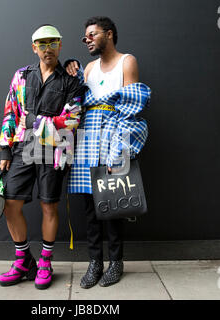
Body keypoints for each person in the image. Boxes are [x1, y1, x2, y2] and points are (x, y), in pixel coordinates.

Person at [0, 24, 86, 290]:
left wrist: (34, 120)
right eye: (42, 44)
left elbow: (72, 119)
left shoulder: (72, 79)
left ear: (60, 45)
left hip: (55, 151)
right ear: (34, 48)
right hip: (23, 148)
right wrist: (5, 149)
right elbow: (11, 111)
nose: (48, 49)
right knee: (10, 204)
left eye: (53, 43)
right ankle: (23, 261)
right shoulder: (22, 76)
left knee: (49, 206)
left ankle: (45, 262)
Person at [65, 16, 151, 288]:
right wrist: (71, 68)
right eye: (85, 37)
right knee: (90, 208)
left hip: (113, 135)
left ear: (109, 34)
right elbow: (77, 100)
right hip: (88, 138)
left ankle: (116, 263)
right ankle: (95, 263)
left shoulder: (128, 61)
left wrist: (119, 153)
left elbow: (131, 108)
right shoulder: (89, 67)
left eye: (92, 34)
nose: (87, 39)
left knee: (112, 204)